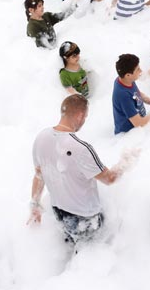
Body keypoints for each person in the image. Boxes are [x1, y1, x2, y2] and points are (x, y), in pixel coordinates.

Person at [28, 94, 125, 244]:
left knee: (72, 246)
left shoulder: (41, 137)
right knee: (93, 251)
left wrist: (35, 204)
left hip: (59, 213)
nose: (84, 121)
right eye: (85, 117)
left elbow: (39, 175)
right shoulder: (81, 148)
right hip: (86, 218)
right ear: (79, 115)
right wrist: (126, 162)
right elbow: (109, 178)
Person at [112, 53, 150, 134]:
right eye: (138, 69)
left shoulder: (125, 80)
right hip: (129, 134)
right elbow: (139, 123)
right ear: (128, 75)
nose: (141, 71)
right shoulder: (123, 95)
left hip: (139, 125)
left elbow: (137, 94)